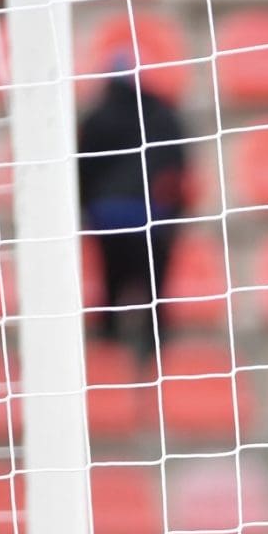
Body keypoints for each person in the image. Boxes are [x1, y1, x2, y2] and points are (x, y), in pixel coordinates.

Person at [78, 57, 187, 362]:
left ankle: (109, 349)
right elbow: (178, 166)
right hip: (150, 217)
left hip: (108, 217)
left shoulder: (96, 118)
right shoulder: (163, 114)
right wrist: (174, 213)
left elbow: (82, 172)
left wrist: (89, 211)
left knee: (111, 284)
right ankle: (153, 352)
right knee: (154, 289)